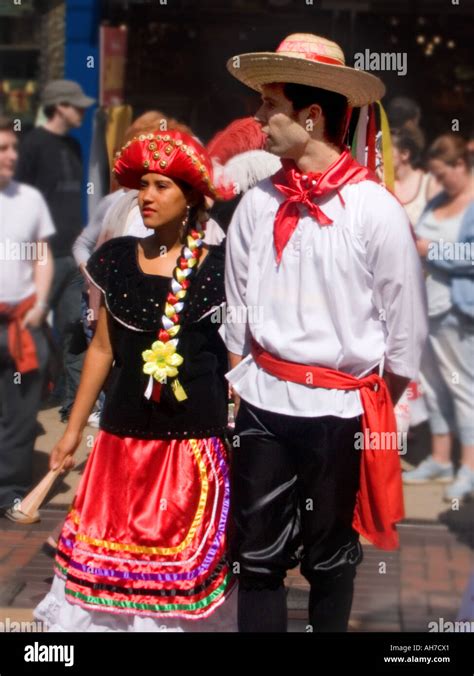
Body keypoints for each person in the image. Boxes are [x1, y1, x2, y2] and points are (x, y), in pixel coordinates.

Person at [223, 33, 428, 632]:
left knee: (332, 559)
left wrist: (375, 413)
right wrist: (241, 387)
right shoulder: (259, 204)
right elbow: (237, 309)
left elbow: (404, 336)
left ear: (311, 116)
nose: (258, 116)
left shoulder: (375, 211)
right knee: (256, 559)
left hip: (343, 413)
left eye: (270, 103)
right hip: (264, 402)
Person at [34, 129, 236, 631]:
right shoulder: (118, 259)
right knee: (109, 570)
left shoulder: (221, 269)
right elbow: (102, 349)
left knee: (172, 574)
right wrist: (72, 430)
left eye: (162, 186)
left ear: (190, 197)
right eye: (143, 184)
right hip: (121, 443)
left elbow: (236, 357)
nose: (146, 196)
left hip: (189, 447)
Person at [15, 79, 95, 423]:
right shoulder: (29, 146)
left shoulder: (73, 147)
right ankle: (23, 405)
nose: (81, 110)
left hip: (70, 253)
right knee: (29, 334)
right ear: (58, 106)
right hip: (39, 256)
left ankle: (72, 406)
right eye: (75, 105)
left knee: (75, 328)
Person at [403, 134, 474, 501]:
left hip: (457, 312)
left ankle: (469, 468)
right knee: (434, 387)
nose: (439, 181)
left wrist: (432, 250)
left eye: (443, 174)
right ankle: (442, 458)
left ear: (460, 166)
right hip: (427, 310)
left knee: (463, 389)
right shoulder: (440, 202)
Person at [0, 116, 55, 523]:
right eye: (3, 149)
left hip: (21, 323)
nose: (12, 155)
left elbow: (42, 254)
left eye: (13, 148)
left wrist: (39, 306)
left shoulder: (30, 199)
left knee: (20, 417)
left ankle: (11, 494)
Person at [392, 127, 441, 227]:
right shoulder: (381, 185)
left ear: (405, 154)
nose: (379, 155)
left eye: (385, 151)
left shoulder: (429, 184)